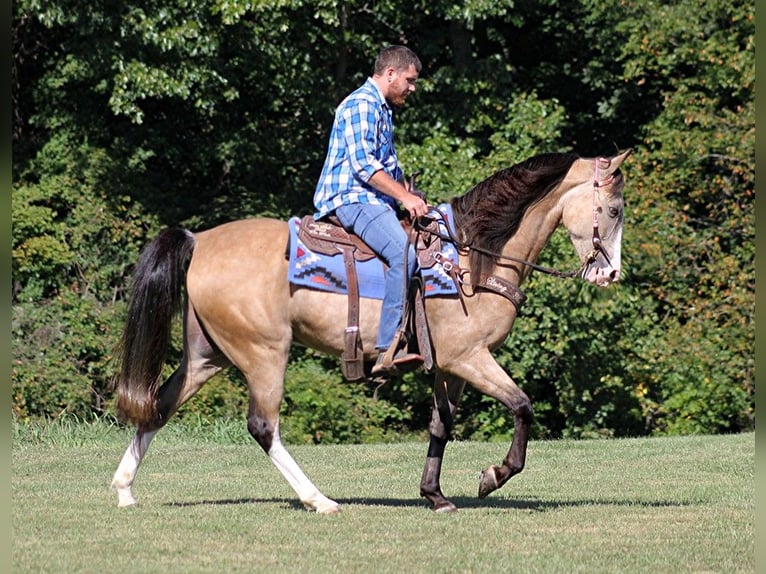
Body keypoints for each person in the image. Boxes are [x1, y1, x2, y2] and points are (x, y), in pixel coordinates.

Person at [313, 45, 428, 376]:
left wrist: (411, 196)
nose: (412, 87)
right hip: (351, 199)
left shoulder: (381, 109)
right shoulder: (362, 104)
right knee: (403, 256)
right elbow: (364, 166)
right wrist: (405, 199)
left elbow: (387, 168)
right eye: (409, 80)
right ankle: (388, 348)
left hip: (373, 200)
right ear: (390, 74)